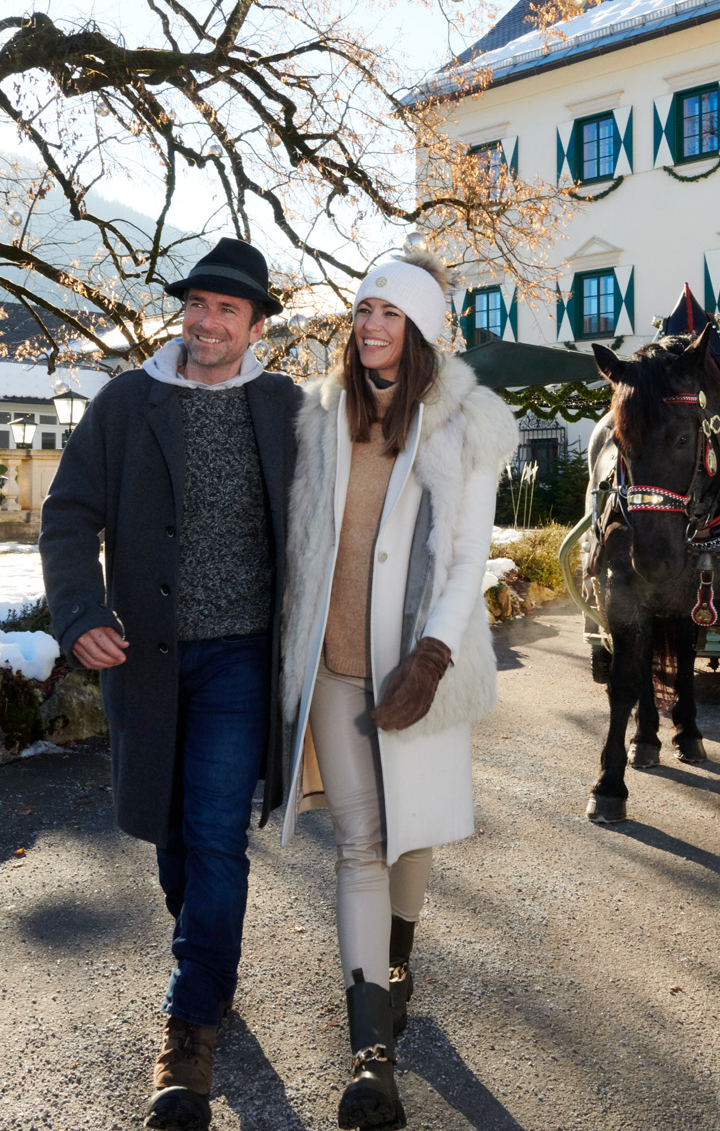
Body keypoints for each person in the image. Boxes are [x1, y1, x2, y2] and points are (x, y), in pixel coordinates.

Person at [40, 238, 300, 1131]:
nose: (207, 321)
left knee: (217, 831)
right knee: (170, 829)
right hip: (146, 656)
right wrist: (79, 613)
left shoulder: (284, 406)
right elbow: (68, 514)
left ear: (256, 326)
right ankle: (209, 960)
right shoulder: (127, 401)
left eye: (229, 309)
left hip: (242, 657)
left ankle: (189, 1031)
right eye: (197, 304)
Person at [280, 250, 517, 1130]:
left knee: (413, 834)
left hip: (418, 668)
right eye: (363, 310)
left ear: (420, 330)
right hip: (333, 669)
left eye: (390, 313)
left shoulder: (464, 423)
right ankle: (370, 1057)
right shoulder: (322, 413)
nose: (371, 326)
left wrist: (432, 656)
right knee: (361, 844)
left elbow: (464, 559)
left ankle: (399, 959)